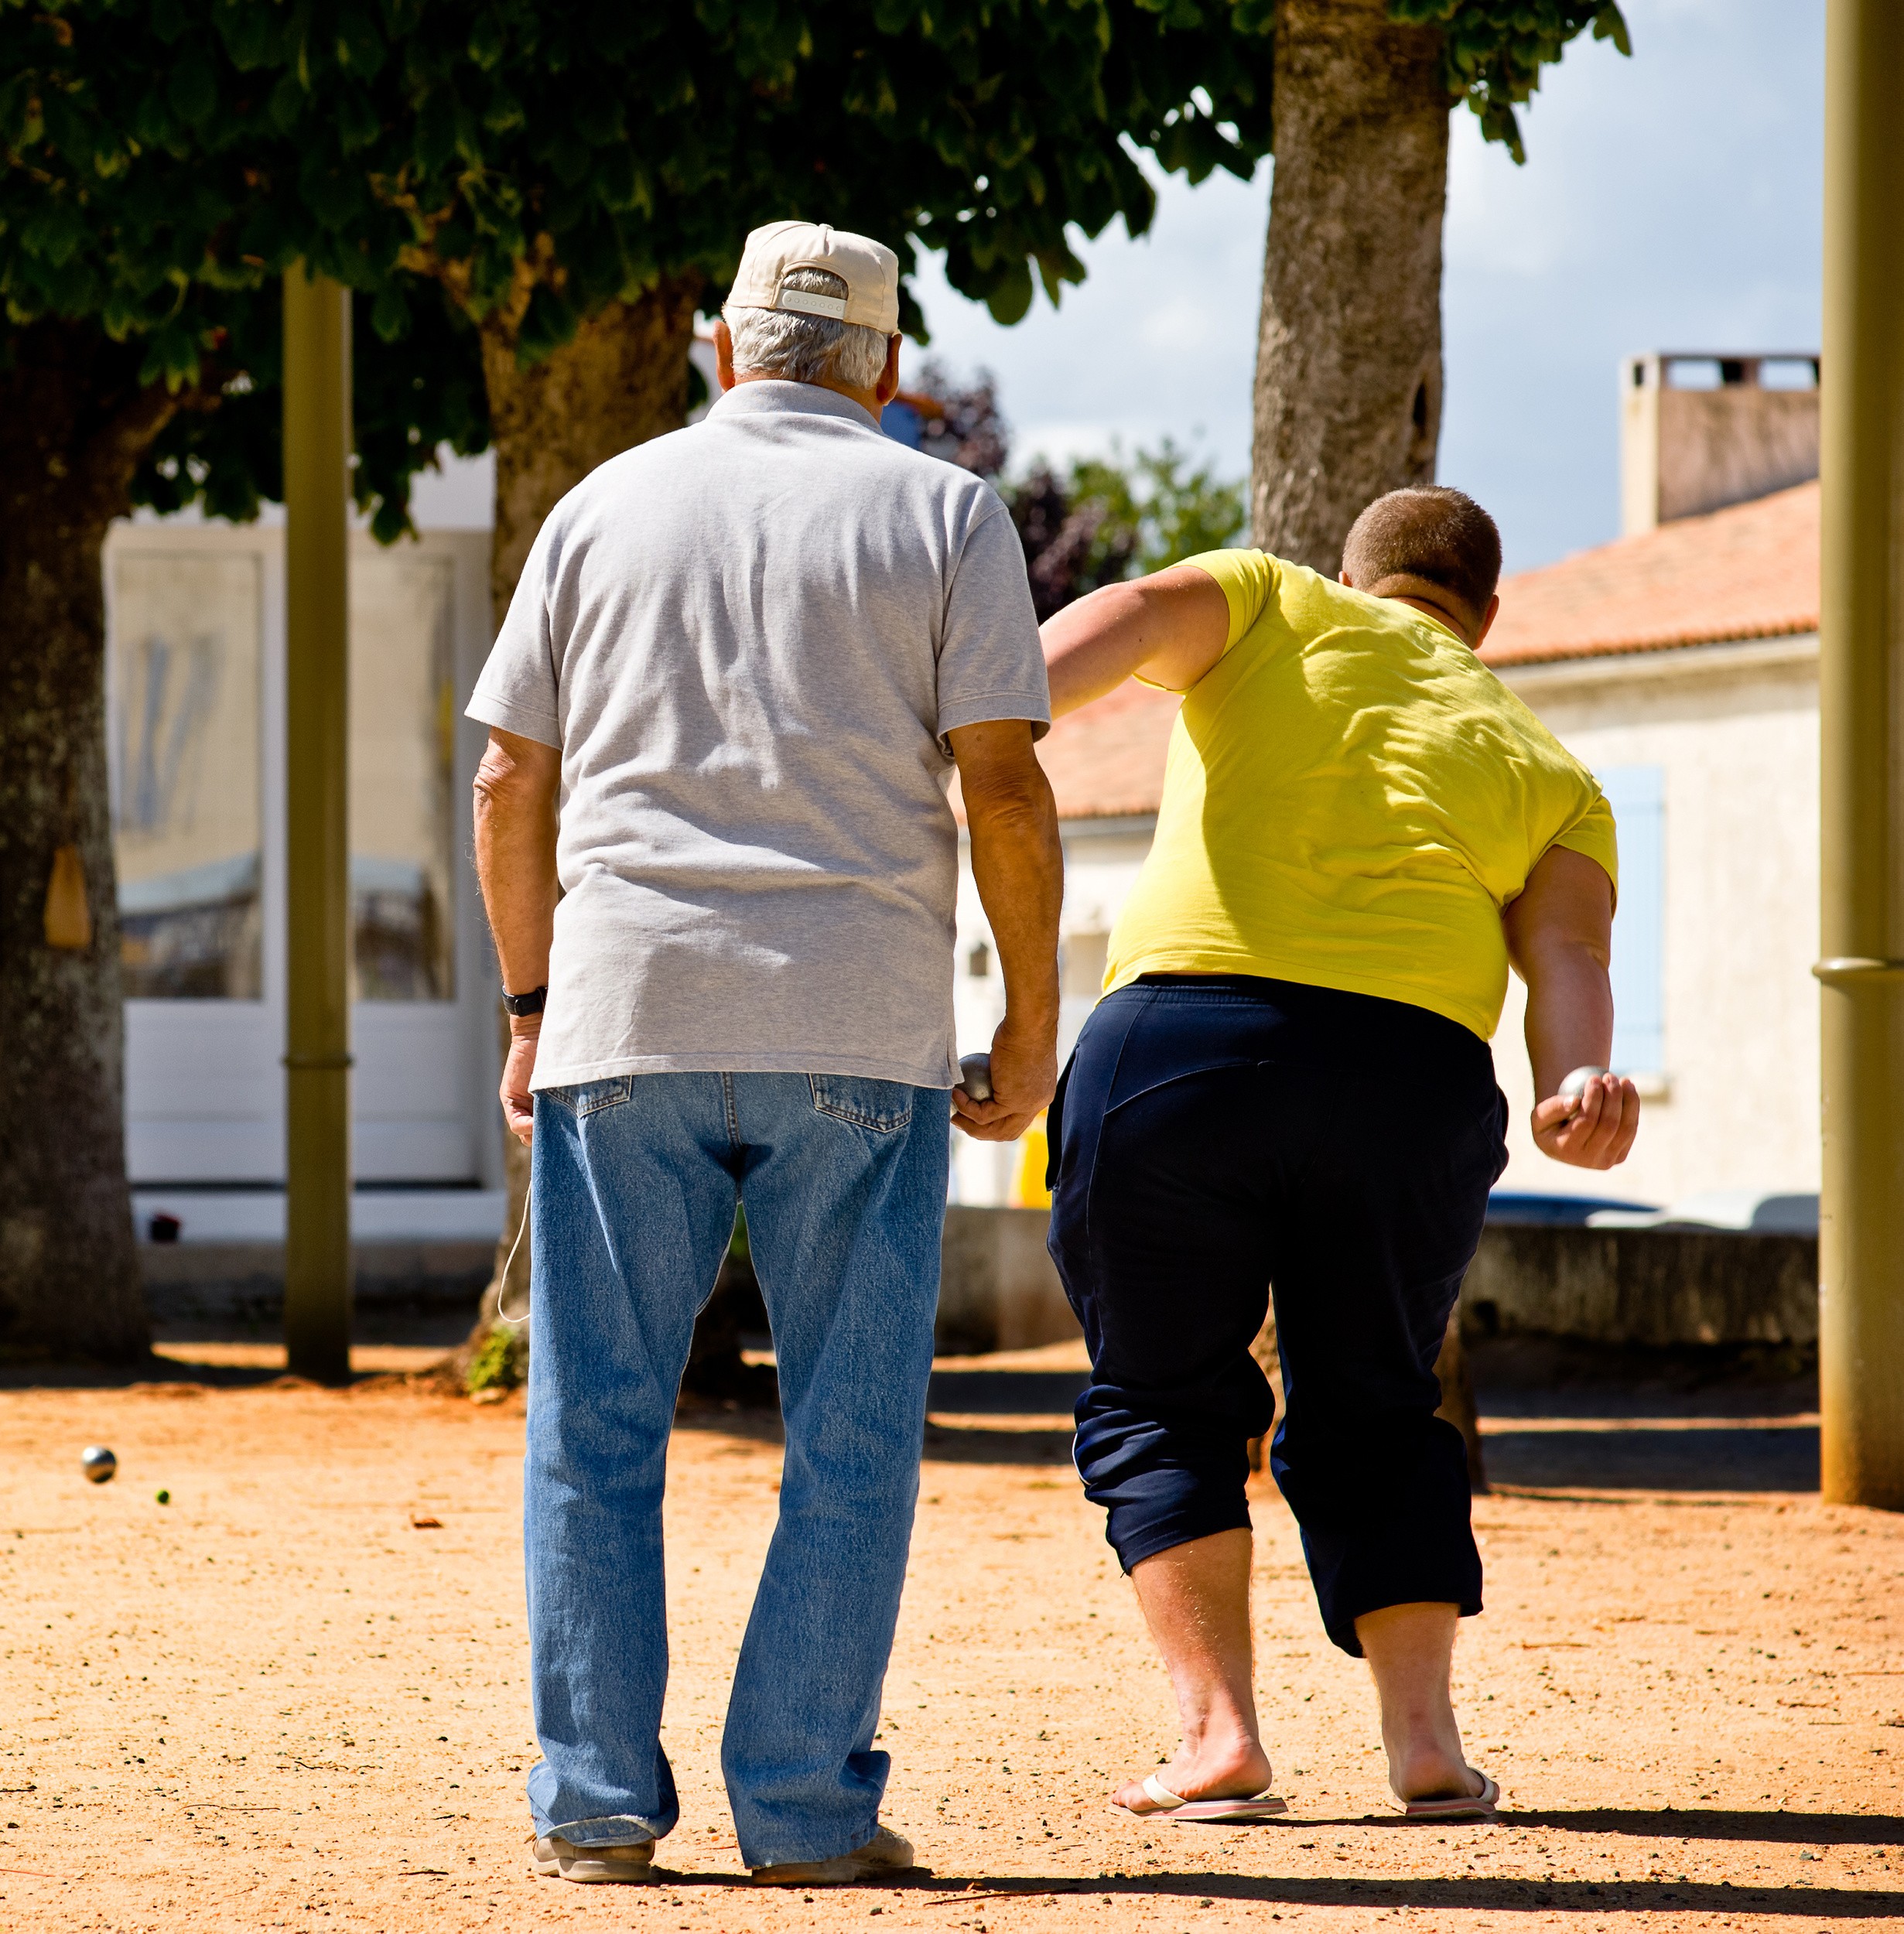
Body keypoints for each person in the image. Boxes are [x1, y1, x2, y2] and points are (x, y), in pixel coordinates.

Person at [467, 219, 1066, 1887]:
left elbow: (509, 782)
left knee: (592, 1429)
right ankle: (801, 1803)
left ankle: (593, 1798)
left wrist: (530, 1003)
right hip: (854, 1028)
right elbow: (1003, 786)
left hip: (627, 1015)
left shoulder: (600, 506)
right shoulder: (943, 512)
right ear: (883, 366)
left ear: (723, 347)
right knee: (852, 1435)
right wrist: (1029, 1014)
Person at [1036, 487, 1639, 1823]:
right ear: (1485, 617)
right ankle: (1424, 1747)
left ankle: (1217, 1739)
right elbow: (1568, 955)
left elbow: (1125, 620)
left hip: (1181, 1047)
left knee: (1160, 1394)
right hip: (1407, 1081)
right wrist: (1571, 1086)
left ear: (1352, 573)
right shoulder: (1552, 769)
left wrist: (978, 714)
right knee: (1373, 1401)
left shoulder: (1266, 596)